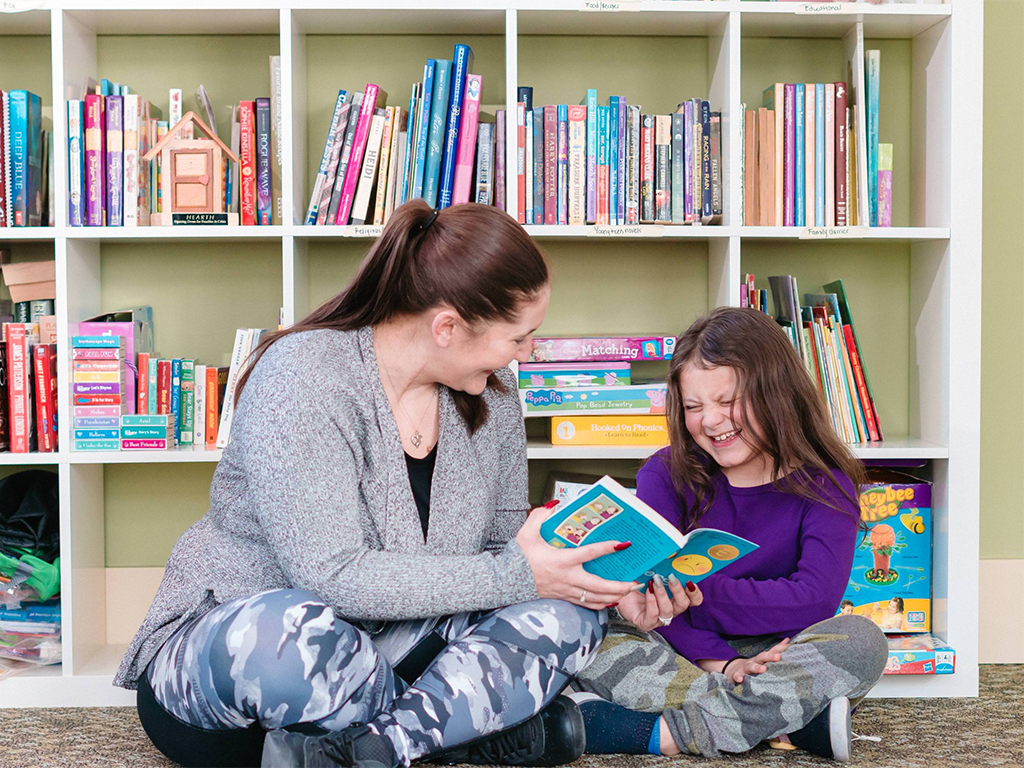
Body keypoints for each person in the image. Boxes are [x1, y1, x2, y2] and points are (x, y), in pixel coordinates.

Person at [113, 200, 641, 768]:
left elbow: (502, 558)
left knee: (571, 615)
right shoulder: (303, 376)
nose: (527, 352)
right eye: (519, 338)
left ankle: (380, 748)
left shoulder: (497, 397)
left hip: (398, 653)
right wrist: (517, 574)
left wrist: (592, 586)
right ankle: (461, 732)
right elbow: (334, 580)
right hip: (249, 669)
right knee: (292, 630)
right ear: (447, 327)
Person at [571, 307, 888, 764]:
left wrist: (694, 595)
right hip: (679, 647)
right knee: (590, 632)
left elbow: (814, 600)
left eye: (728, 401)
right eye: (695, 407)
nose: (712, 421)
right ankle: (790, 719)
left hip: (778, 650)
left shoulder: (826, 482)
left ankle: (660, 733)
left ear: (776, 393)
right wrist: (719, 663)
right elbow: (651, 596)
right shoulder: (664, 473)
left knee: (862, 640)